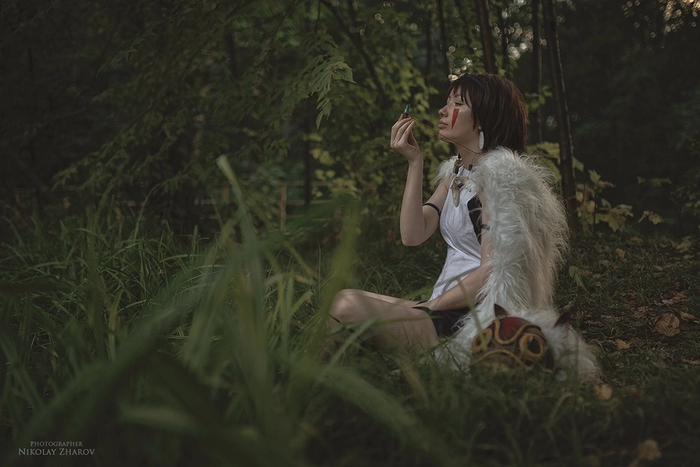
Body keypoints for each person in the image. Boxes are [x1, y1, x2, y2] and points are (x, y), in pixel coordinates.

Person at [320, 73, 530, 359]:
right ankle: (307, 377)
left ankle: (300, 380)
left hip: (470, 320)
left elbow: (491, 271)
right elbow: (412, 235)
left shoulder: (496, 181)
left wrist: (429, 307)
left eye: (457, 104)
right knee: (342, 298)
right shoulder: (457, 176)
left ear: (483, 120)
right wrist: (414, 161)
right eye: (447, 102)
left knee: (347, 307)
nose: (442, 110)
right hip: (442, 308)